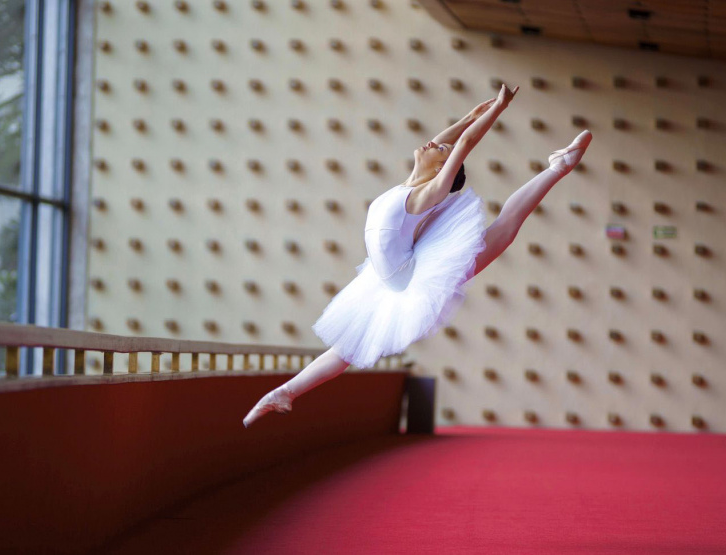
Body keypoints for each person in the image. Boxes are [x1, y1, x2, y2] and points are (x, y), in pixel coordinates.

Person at [243, 83, 592, 428]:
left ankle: (558, 167)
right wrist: (470, 115)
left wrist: (499, 108)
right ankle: (285, 392)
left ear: (443, 168)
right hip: (386, 276)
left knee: (503, 228)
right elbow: (449, 142)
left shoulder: (428, 193)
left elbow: (464, 144)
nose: (433, 143)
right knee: (345, 348)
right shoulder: (410, 181)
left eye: (440, 149)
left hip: (411, 274)